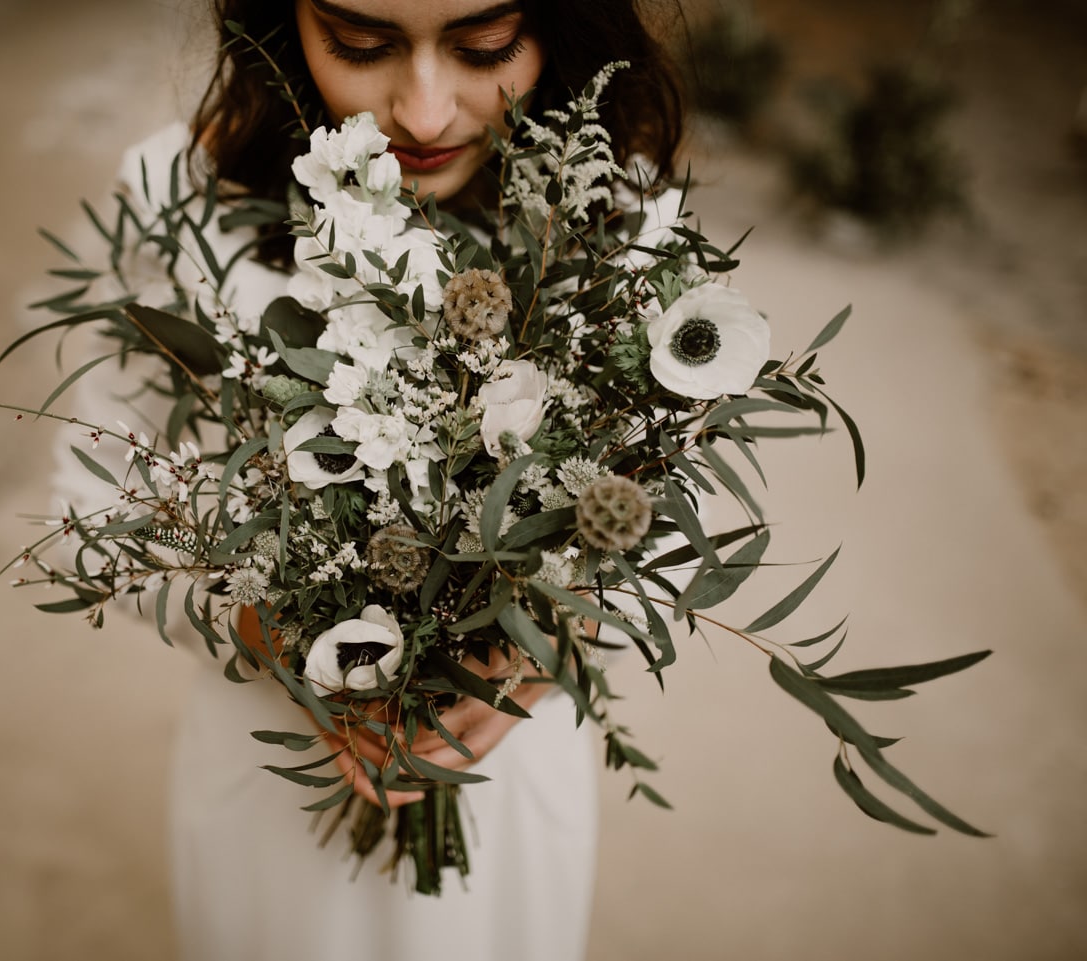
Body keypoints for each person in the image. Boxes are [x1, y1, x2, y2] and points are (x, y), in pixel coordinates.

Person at [54, 2, 683, 958]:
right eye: (361, 44)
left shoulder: (612, 210)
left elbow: (673, 519)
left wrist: (552, 639)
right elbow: (90, 503)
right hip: (277, 782)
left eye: (482, 47)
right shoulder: (179, 205)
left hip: (502, 783)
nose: (425, 113)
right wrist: (271, 624)